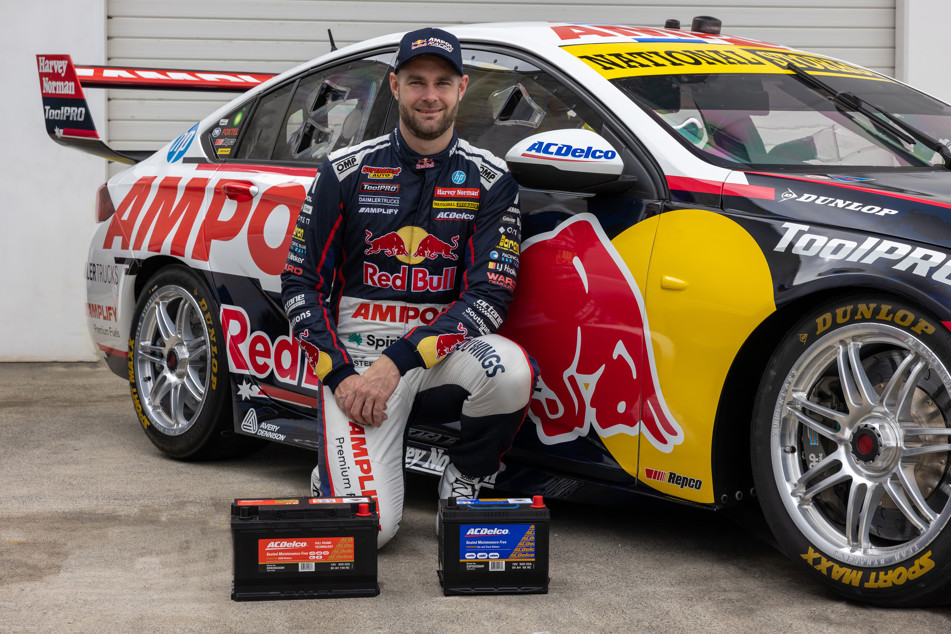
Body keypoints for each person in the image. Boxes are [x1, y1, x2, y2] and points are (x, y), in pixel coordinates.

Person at [280, 27, 537, 547]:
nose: (429, 95)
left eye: (442, 83)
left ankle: (464, 483)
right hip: (356, 355)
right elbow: (301, 284)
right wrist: (340, 375)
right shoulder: (344, 172)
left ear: (461, 89)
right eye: (417, 81)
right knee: (370, 533)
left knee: (510, 371)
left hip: (439, 353)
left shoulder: (491, 179)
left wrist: (396, 362)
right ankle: (336, 477)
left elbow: (489, 297)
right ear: (395, 86)